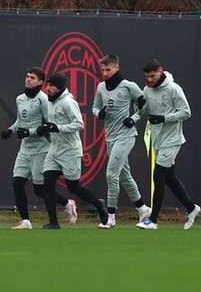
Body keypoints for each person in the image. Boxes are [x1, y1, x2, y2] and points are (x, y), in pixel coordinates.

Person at [1, 67, 76, 229]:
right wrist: (11, 130)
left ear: (41, 82)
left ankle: (67, 203)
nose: (28, 79)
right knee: (17, 183)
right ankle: (25, 221)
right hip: (25, 149)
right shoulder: (20, 99)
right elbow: (21, 122)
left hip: (41, 149)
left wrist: (30, 132)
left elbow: (47, 125)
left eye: (32, 78)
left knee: (40, 190)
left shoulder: (44, 99)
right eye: (27, 76)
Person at [132, 59, 201, 230]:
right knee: (170, 178)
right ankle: (192, 208)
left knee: (158, 177)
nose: (149, 80)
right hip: (158, 139)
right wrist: (137, 107)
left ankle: (152, 220)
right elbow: (143, 112)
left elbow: (186, 112)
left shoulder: (174, 89)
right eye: (146, 76)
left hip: (172, 140)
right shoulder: (147, 90)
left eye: (152, 76)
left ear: (161, 71)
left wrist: (164, 118)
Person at [39, 73, 109, 229]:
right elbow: (52, 123)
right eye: (47, 85)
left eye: (51, 86)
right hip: (55, 149)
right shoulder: (51, 101)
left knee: (73, 187)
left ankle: (99, 206)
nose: (48, 88)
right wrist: (46, 127)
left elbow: (79, 124)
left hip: (70, 150)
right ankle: (53, 222)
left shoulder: (68, 102)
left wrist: (57, 128)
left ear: (60, 87)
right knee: (47, 184)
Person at [92, 55, 152, 227]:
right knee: (125, 176)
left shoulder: (129, 86)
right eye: (102, 70)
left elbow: (145, 106)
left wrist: (133, 118)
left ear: (117, 67)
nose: (104, 73)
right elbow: (94, 108)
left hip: (126, 136)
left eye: (108, 69)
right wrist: (99, 114)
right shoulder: (101, 87)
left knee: (111, 175)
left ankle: (110, 216)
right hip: (110, 137)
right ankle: (142, 209)